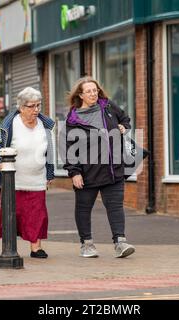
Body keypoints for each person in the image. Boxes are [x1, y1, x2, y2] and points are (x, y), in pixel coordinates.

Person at [63, 76, 135, 259]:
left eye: (95, 90)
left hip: (113, 169)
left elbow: (126, 119)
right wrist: (74, 172)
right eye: (88, 91)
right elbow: (69, 148)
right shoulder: (73, 119)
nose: (93, 94)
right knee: (84, 208)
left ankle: (120, 242)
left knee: (115, 206)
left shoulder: (108, 107)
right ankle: (86, 244)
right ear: (80, 95)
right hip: (87, 173)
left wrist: (123, 127)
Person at [0, 87, 55, 259]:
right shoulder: (10, 124)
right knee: (10, 214)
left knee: (37, 214)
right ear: (21, 107)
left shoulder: (45, 125)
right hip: (13, 178)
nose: (36, 110)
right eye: (32, 106)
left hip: (36, 178)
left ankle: (36, 248)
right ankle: (9, 247)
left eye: (38, 105)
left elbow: (50, 152)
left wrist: (49, 174)